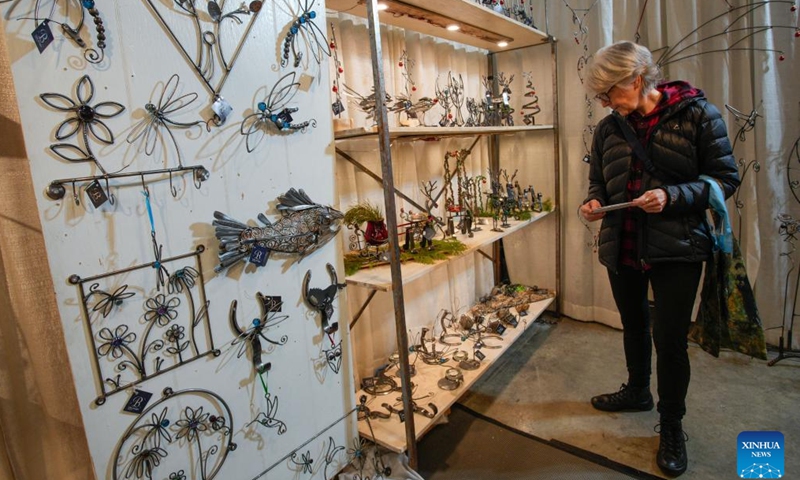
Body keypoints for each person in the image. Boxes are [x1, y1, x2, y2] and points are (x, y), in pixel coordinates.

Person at [579, 41, 740, 477]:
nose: (606, 102)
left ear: (636, 80)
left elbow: (725, 180)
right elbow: (598, 183)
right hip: (623, 244)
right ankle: (636, 391)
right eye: (601, 96)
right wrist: (592, 205)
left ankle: (671, 426)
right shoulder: (609, 128)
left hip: (679, 247)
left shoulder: (698, 115)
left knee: (670, 341)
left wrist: (671, 196)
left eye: (609, 92)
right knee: (634, 325)